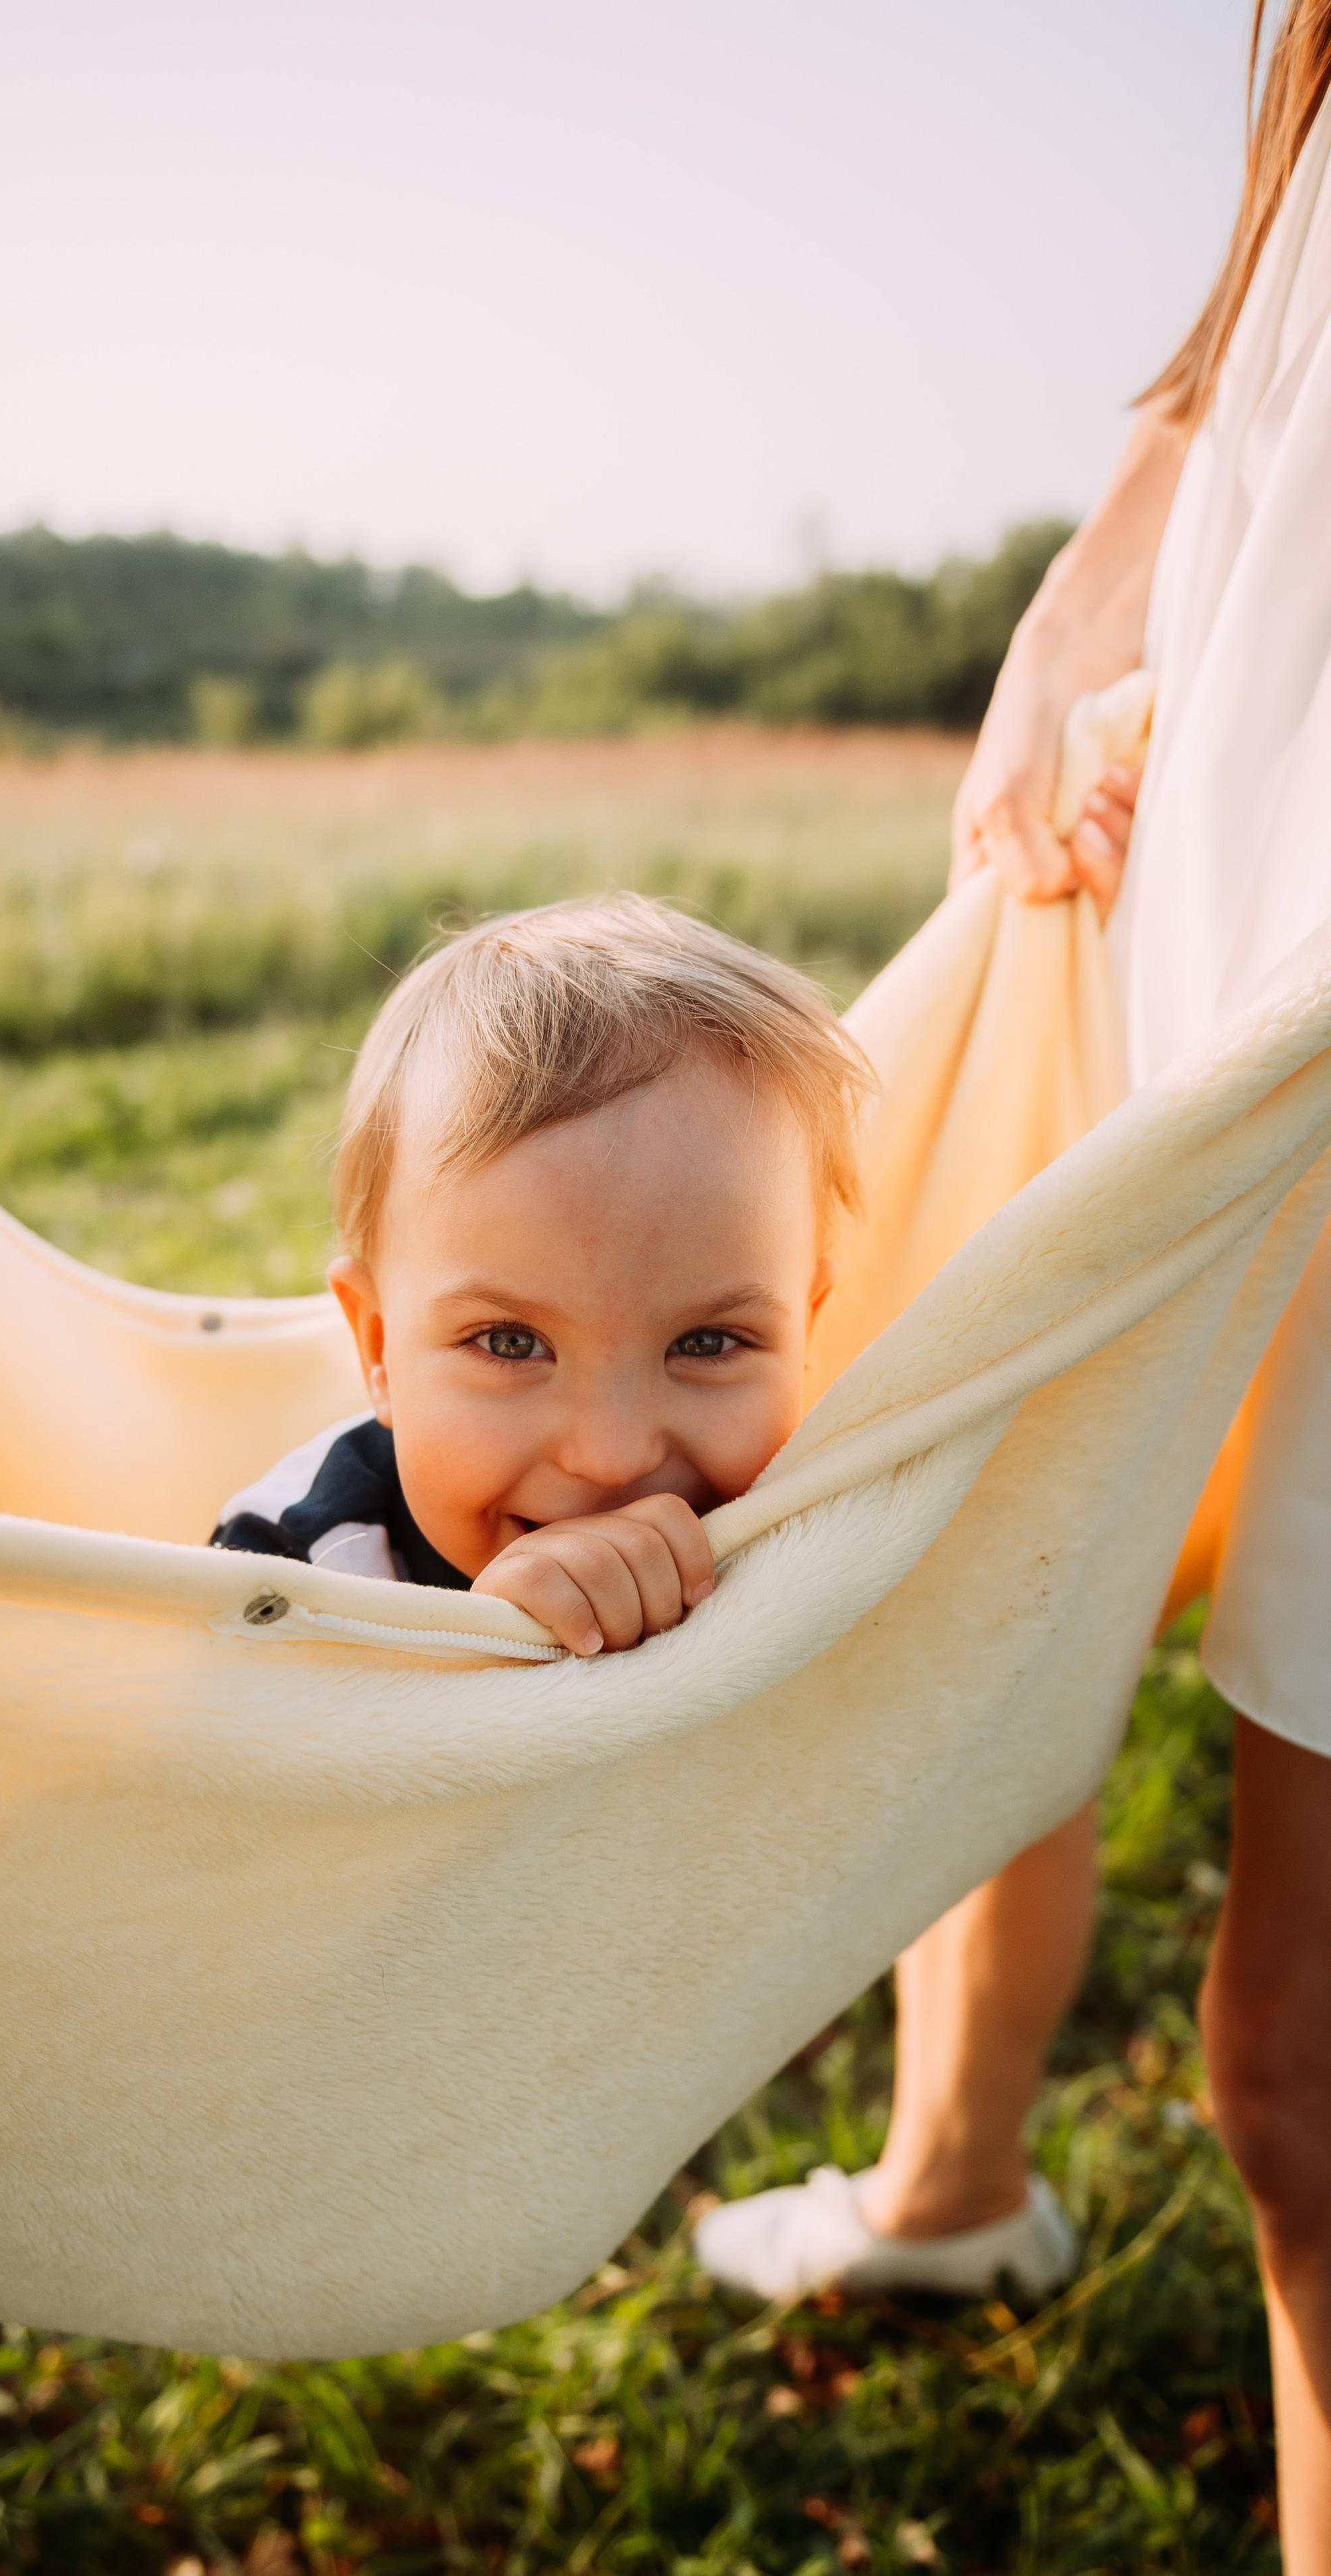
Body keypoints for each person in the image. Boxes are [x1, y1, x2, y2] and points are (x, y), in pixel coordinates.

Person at [697, 5, 1331, 2559]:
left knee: (1293, 2072)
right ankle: (951, 2175)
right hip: (1226, 924)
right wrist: (1123, 570)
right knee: (990, 1499)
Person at [212, 894, 867, 1658]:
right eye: (512, 1343)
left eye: (708, 1342)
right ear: (378, 1347)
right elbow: (218, 1763)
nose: (612, 1457)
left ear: (804, 1334)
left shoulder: (844, 1526)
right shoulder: (290, 1574)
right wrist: (479, 1662)